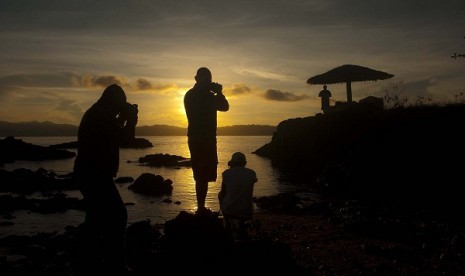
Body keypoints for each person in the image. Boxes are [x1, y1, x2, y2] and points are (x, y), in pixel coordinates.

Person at [73, 84, 138, 274]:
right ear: (113, 101)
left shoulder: (98, 113)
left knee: (96, 219)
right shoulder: (101, 116)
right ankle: (115, 264)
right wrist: (131, 119)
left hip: (88, 172)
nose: (122, 107)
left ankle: (88, 260)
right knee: (118, 216)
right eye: (121, 103)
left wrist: (124, 116)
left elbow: (115, 132)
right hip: (95, 174)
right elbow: (125, 139)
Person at [184, 67, 229, 215]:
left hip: (209, 139)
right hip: (198, 139)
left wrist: (219, 93)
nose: (208, 82)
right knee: (200, 174)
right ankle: (201, 208)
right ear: (197, 79)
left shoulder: (209, 95)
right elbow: (213, 106)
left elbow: (225, 107)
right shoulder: (192, 95)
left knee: (206, 174)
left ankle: (201, 207)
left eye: (209, 79)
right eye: (205, 79)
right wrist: (214, 93)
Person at [218, 152, 258, 240]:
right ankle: (242, 224)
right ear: (245, 163)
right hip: (247, 212)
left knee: (220, 195)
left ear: (232, 163)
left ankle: (227, 223)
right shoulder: (252, 173)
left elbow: (223, 192)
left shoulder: (226, 173)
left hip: (230, 211)